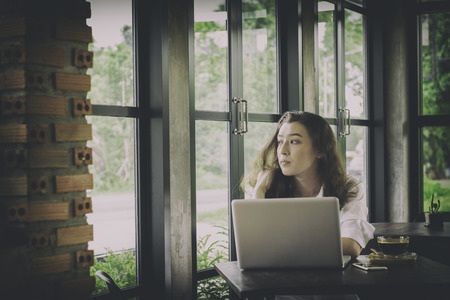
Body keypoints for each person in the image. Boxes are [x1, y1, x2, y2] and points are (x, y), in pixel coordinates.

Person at [241, 111, 374, 259]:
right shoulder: (265, 185)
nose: (283, 151)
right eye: (280, 142)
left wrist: (278, 246)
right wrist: (259, 191)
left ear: (320, 150)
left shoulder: (348, 187)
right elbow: (252, 245)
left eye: (294, 142)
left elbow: (351, 245)